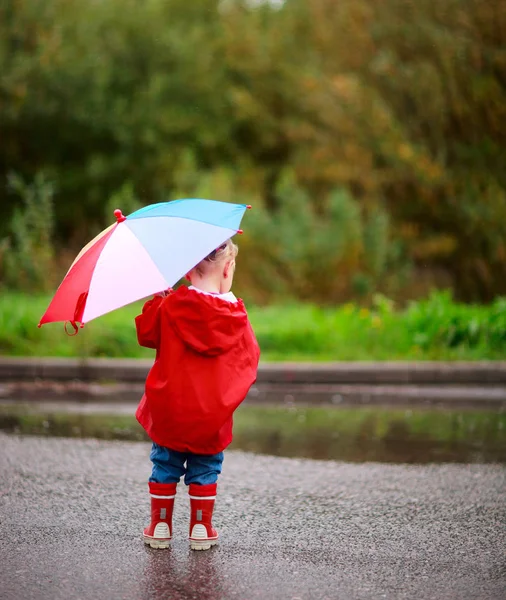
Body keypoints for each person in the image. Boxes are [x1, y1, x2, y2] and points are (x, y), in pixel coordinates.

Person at [135, 239, 260, 550]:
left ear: (188, 272)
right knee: (205, 466)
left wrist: (158, 298)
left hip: (171, 410)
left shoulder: (170, 306)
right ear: (228, 268)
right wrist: (225, 397)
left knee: (165, 463)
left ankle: (160, 525)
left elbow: (147, 335)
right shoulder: (236, 317)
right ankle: (201, 528)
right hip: (212, 415)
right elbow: (250, 359)